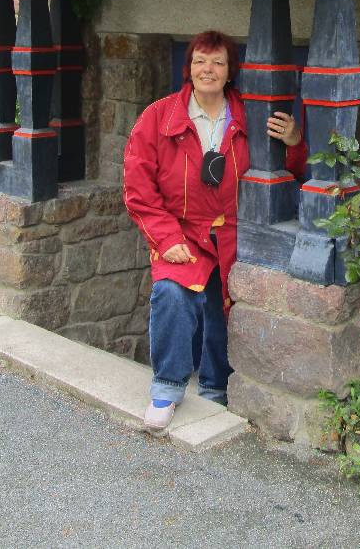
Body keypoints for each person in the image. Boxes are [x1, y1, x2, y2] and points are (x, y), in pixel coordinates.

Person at [122, 30, 306, 431]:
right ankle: (167, 388)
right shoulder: (158, 117)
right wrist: (167, 239)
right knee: (172, 294)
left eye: (218, 62)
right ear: (188, 68)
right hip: (182, 232)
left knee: (223, 306)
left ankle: (214, 388)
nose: (208, 69)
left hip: (233, 233)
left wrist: (293, 142)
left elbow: (290, 170)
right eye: (200, 61)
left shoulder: (250, 115)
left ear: (230, 71)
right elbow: (139, 190)